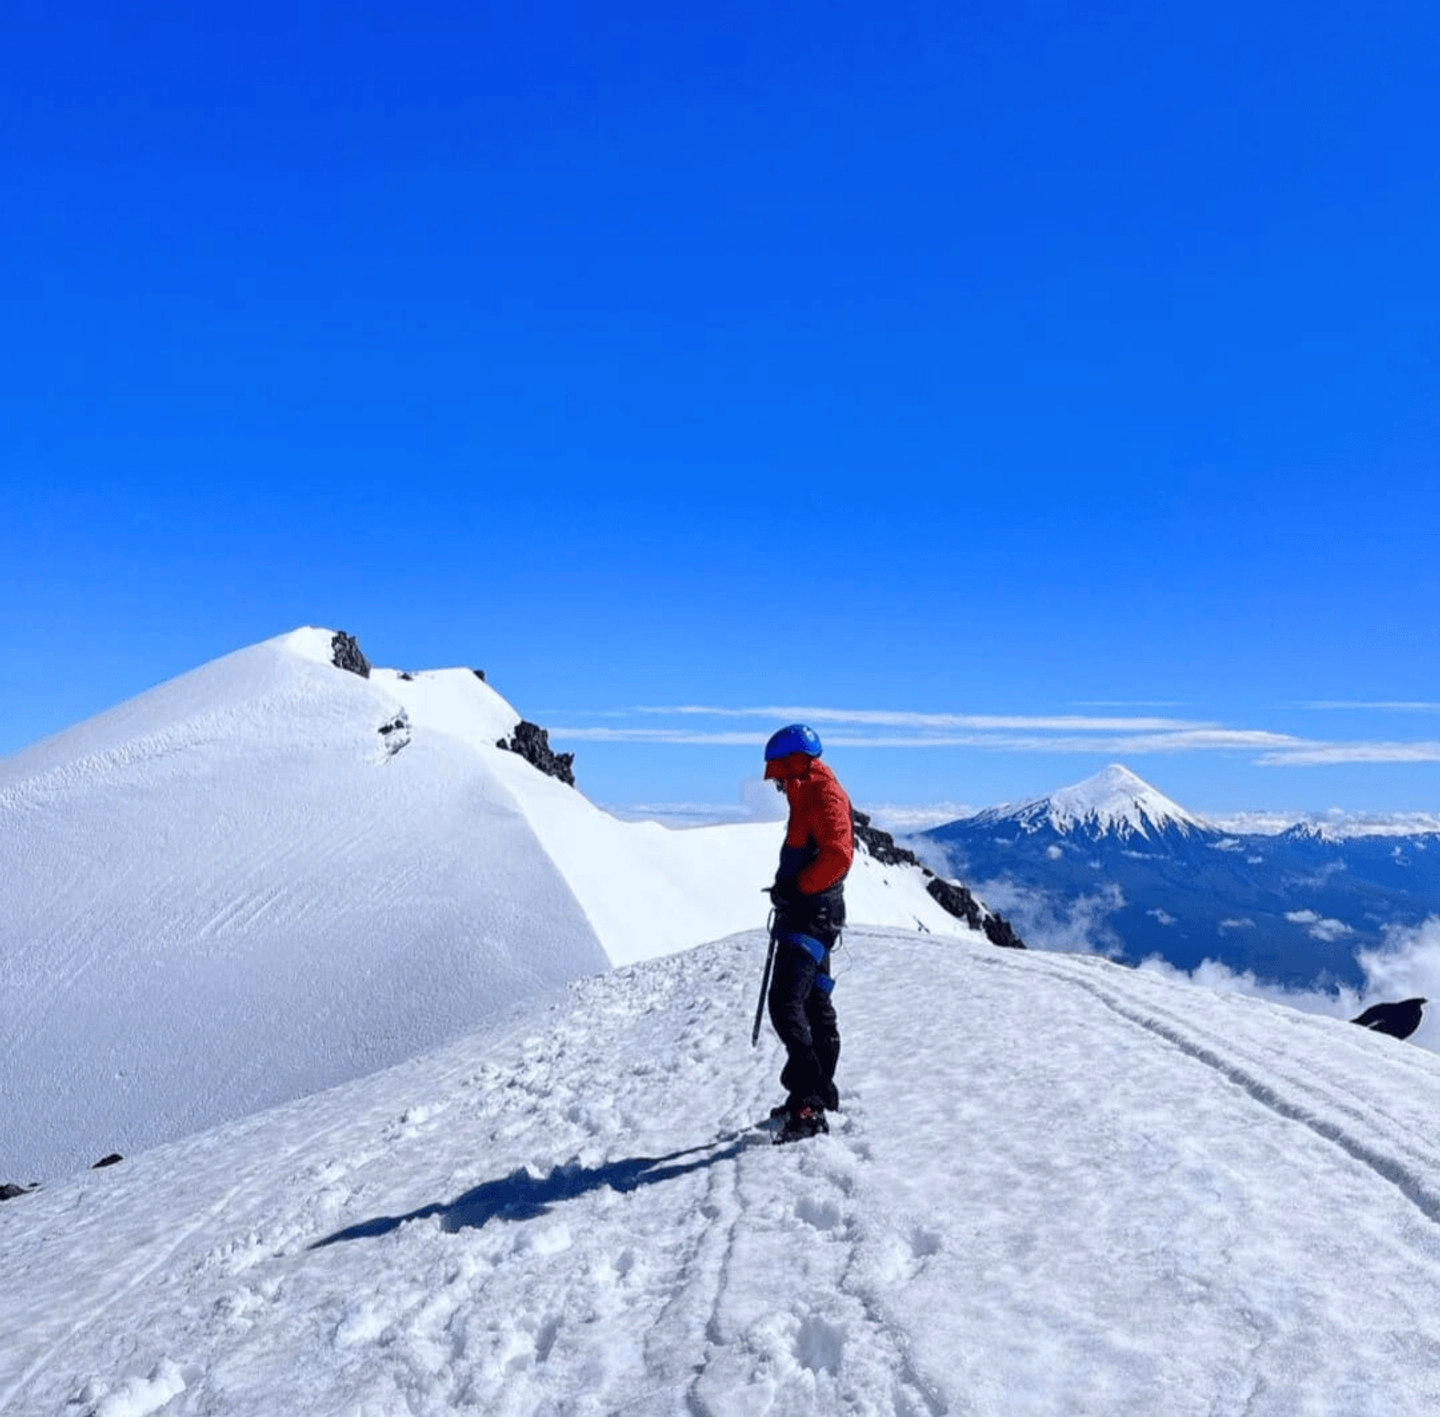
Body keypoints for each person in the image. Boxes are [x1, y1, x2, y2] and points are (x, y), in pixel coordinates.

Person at [763, 723, 853, 1143]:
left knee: (785, 1003)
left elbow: (837, 855)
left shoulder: (823, 794)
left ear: (793, 763)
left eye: (778, 774)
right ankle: (818, 1091)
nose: (777, 784)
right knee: (815, 1001)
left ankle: (807, 1102)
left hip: (811, 916)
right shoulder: (806, 792)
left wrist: (797, 889)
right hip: (810, 912)